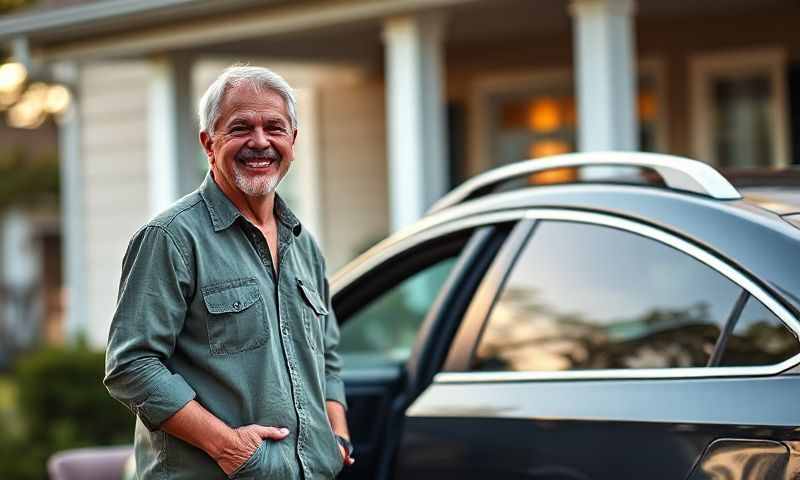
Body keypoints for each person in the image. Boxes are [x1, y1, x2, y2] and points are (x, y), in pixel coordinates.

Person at [104, 65, 354, 479]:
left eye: (274, 127)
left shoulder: (303, 244)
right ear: (208, 142)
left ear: (293, 140)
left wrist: (337, 437)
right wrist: (228, 448)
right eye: (241, 128)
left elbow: (326, 358)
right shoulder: (170, 238)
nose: (260, 142)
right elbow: (132, 365)